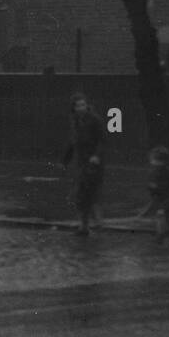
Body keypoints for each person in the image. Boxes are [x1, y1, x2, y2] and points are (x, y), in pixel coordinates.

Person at [62, 92, 105, 236]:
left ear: (87, 105)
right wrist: (66, 159)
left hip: (93, 163)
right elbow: (73, 140)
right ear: (73, 108)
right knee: (80, 195)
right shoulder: (74, 120)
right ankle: (84, 226)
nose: (81, 108)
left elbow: (102, 140)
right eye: (78, 105)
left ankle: (97, 223)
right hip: (80, 162)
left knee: (89, 193)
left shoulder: (94, 120)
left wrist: (96, 156)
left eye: (83, 105)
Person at [140, 146, 169, 244]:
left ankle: (161, 235)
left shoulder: (168, 172)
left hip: (168, 198)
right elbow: (152, 185)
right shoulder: (154, 172)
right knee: (167, 217)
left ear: (161, 161)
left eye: (154, 159)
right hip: (161, 198)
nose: (152, 161)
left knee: (160, 215)